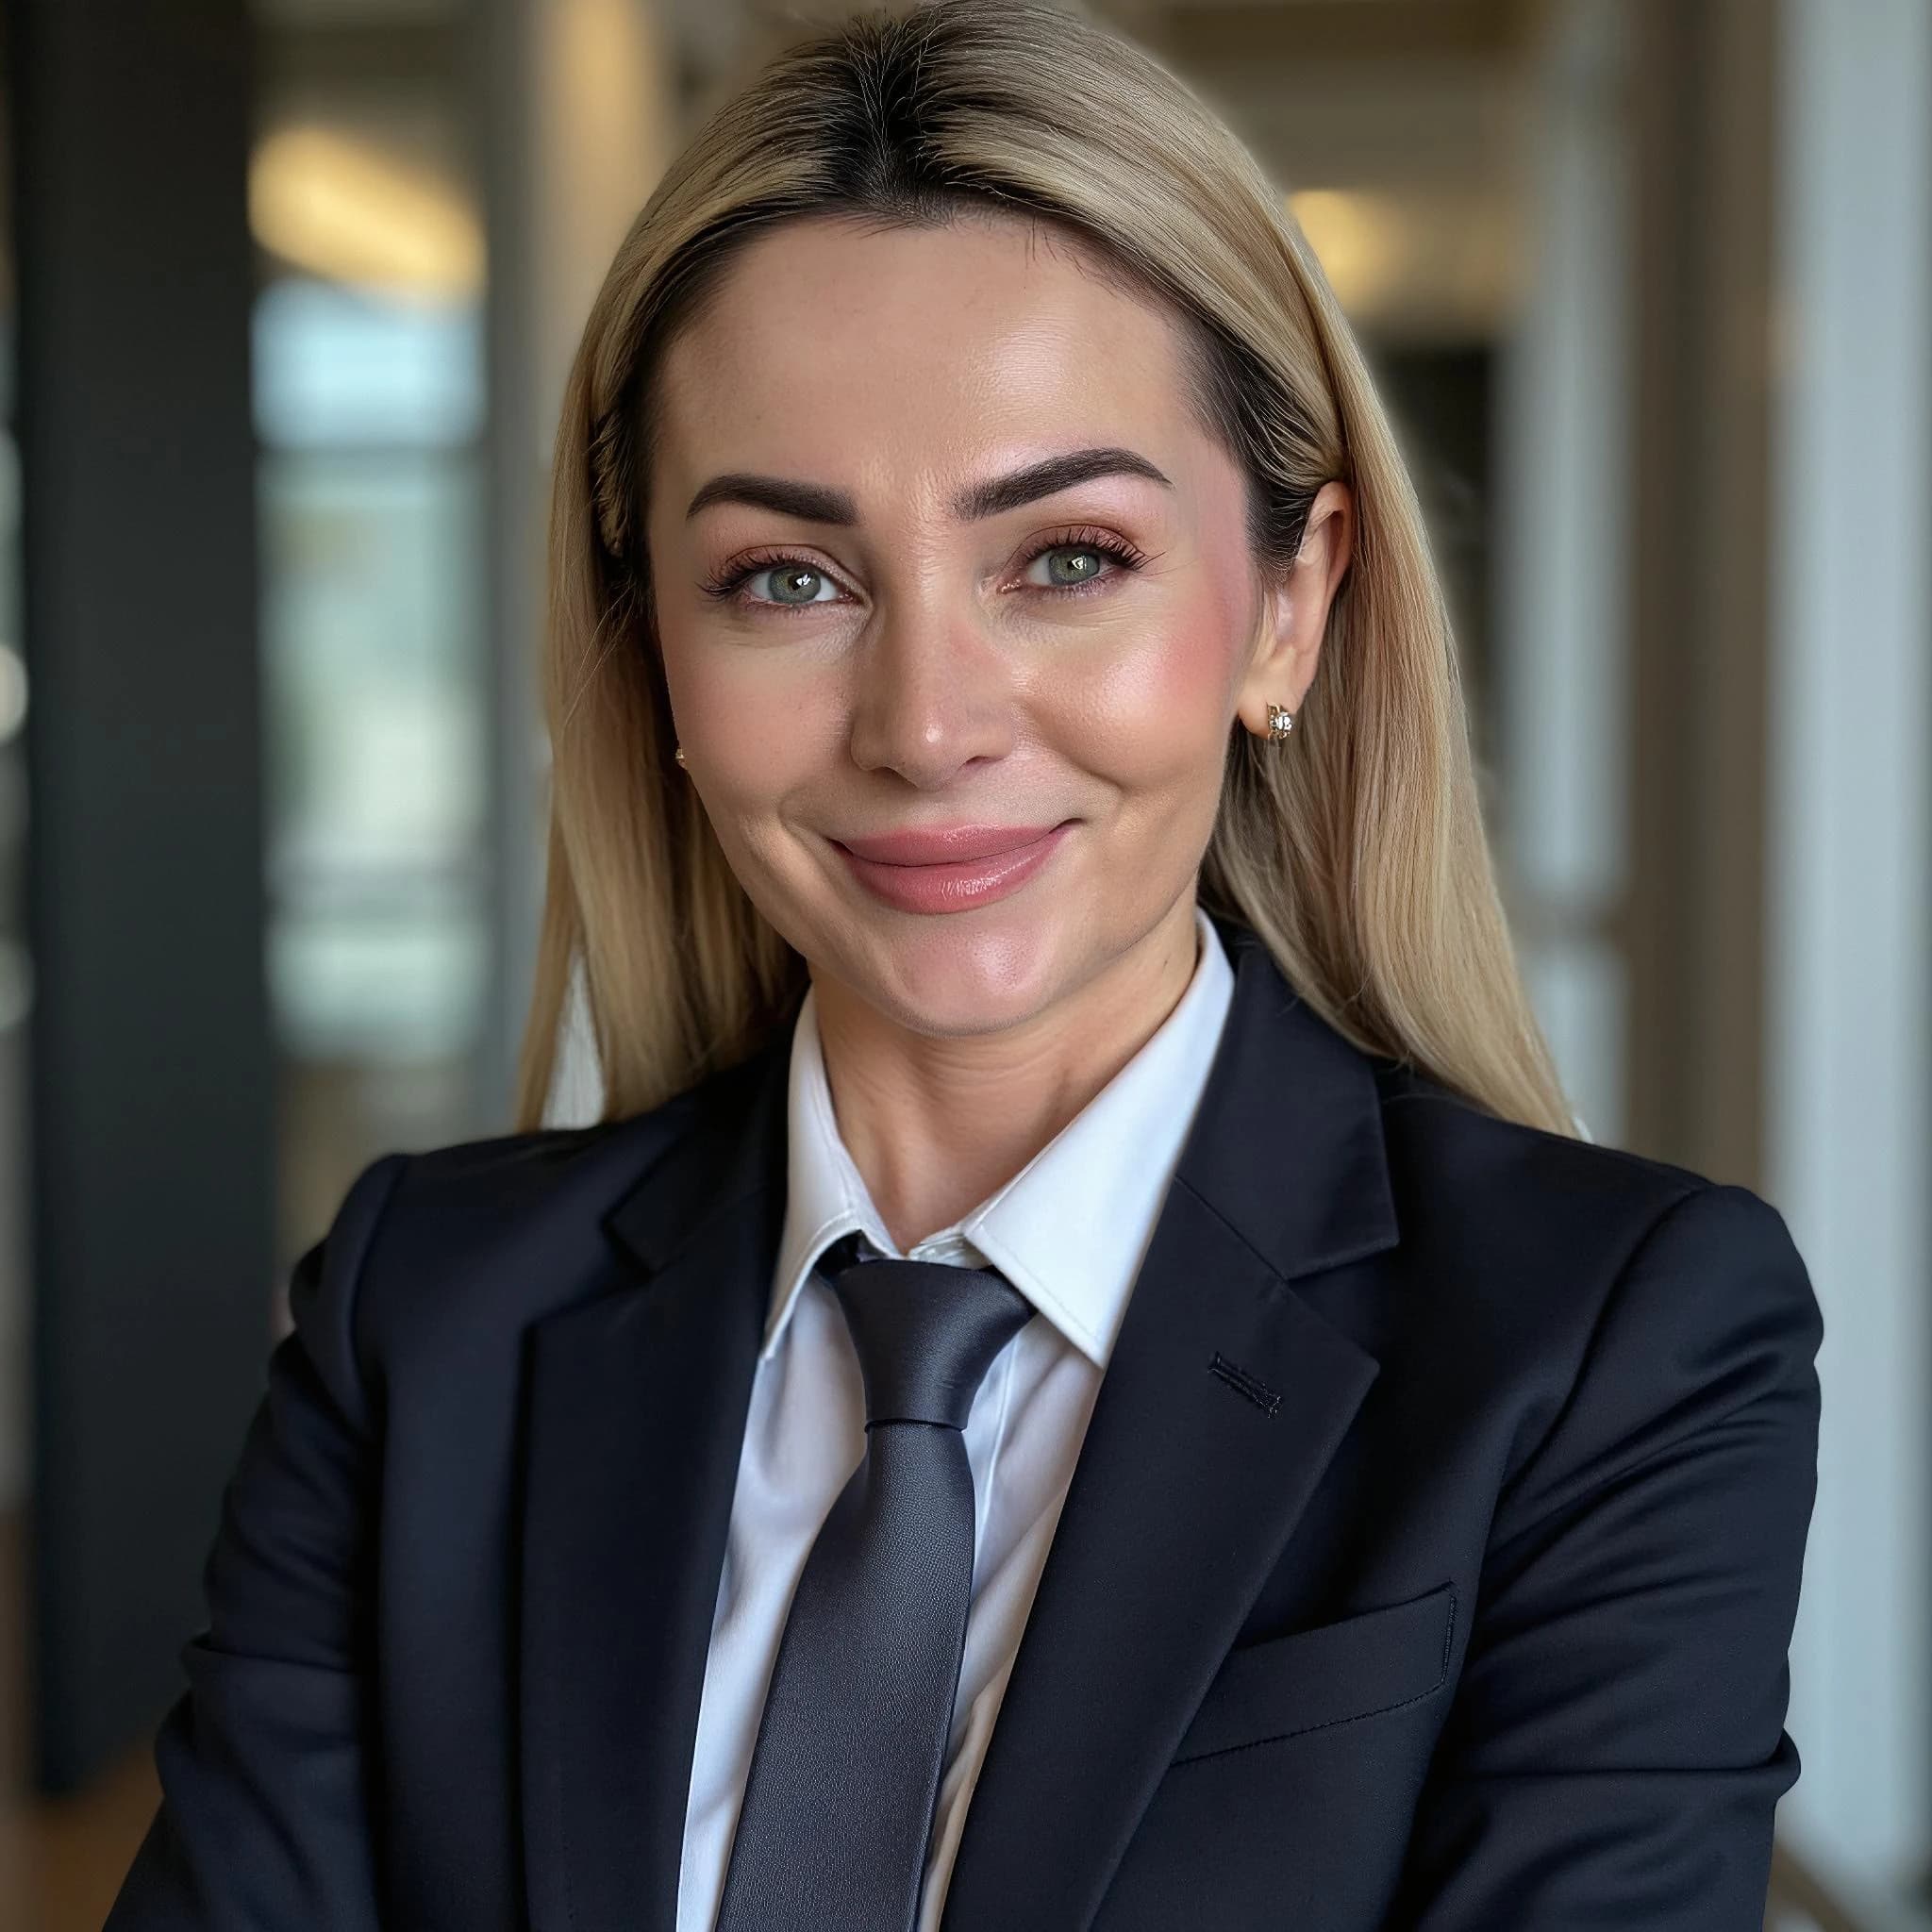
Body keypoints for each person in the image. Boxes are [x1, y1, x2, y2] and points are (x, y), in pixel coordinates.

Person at [104, 2, 1823, 1927]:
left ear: (1288, 602)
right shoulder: (426, 1320)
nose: (925, 726)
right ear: (651, 653)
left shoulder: (1605, 1348)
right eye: (787, 579)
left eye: (1066, 558)